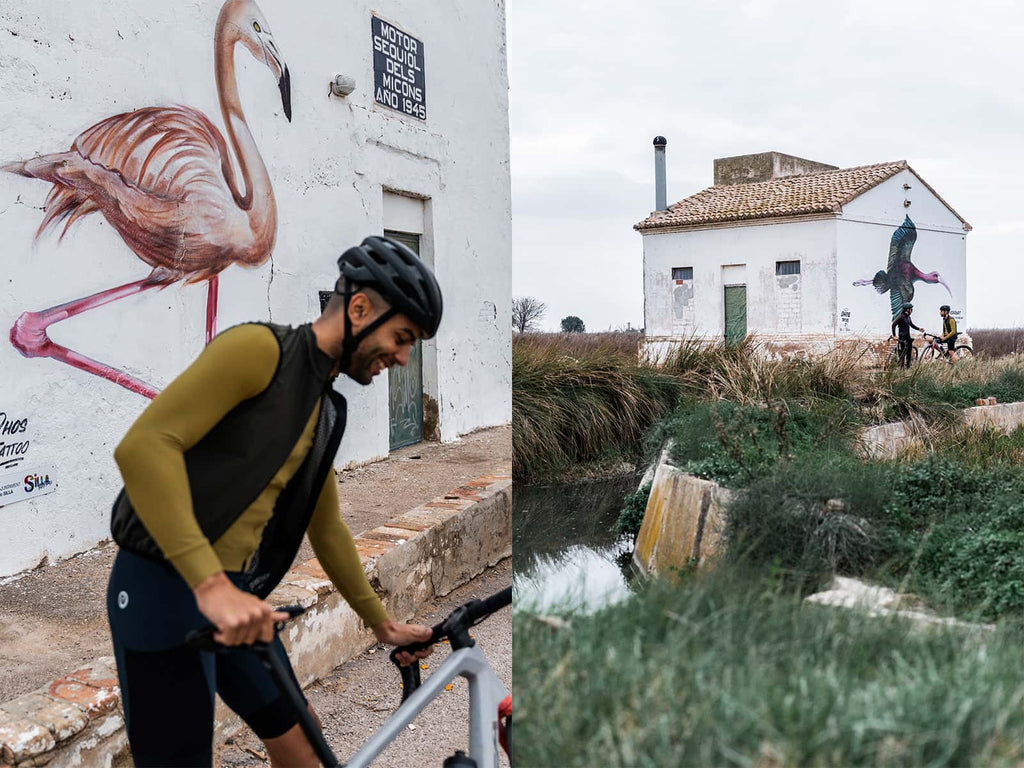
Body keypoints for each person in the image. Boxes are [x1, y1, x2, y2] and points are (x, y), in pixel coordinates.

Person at [106, 235, 443, 767]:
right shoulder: (259, 352)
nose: (402, 358)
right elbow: (145, 447)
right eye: (402, 337)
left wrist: (381, 623)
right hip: (163, 593)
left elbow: (325, 525)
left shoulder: (322, 404)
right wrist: (210, 584)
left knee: (305, 753)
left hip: (240, 605)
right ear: (359, 308)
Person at [891, 303, 923, 368]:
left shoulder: (908, 317)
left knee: (909, 352)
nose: (912, 310)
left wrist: (919, 329)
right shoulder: (901, 316)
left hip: (907, 336)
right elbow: (893, 325)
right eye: (911, 309)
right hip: (902, 337)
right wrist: (894, 335)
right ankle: (901, 368)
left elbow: (911, 324)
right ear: (907, 309)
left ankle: (908, 367)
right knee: (902, 353)